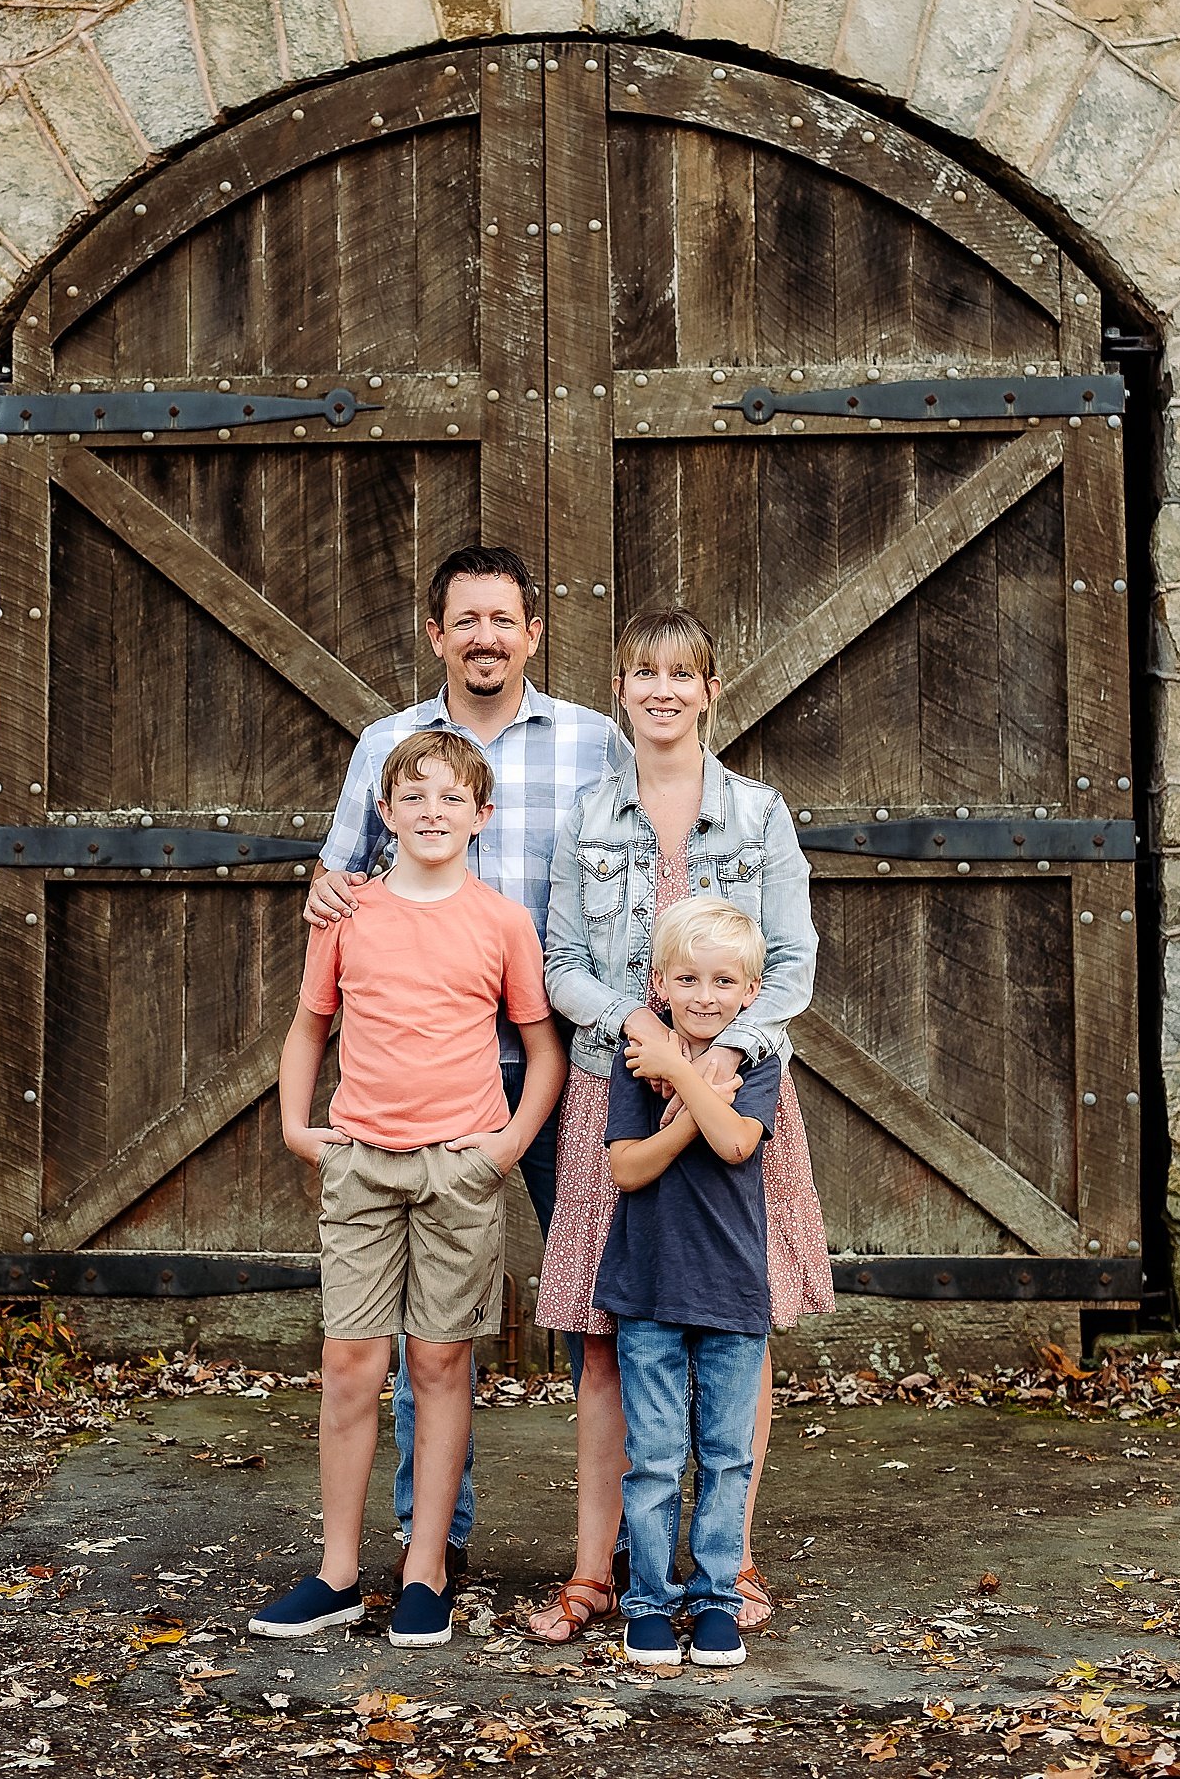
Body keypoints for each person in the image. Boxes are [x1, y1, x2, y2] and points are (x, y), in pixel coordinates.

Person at [305, 546, 624, 1571]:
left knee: (594, 1305)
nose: (485, 636)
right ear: (435, 634)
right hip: (425, 1083)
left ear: (534, 633)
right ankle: (430, 1547)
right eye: (465, 620)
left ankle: (610, 1546)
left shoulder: (593, 742)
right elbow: (343, 883)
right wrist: (320, 892)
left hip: (561, 1066)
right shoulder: (388, 746)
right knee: (423, 1336)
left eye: (504, 619)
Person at [528, 606, 834, 1644]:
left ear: (710, 690)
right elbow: (562, 961)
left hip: (743, 1086)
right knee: (610, 1336)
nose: (661, 690)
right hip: (611, 1089)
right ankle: (596, 1571)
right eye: (641, 673)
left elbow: (790, 962)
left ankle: (728, 1562)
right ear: (620, 689)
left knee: (738, 1325)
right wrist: (642, 1041)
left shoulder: (759, 814)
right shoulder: (586, 815)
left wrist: (718, 1052)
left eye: (681, 674)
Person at [252, 731, 566, 1648]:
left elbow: (541, 1049)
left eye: (452, 798)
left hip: (457, 1170)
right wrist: (294, 1123)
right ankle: (339, 1572)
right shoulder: (347, 915)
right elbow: (310, 1028)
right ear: (383, 814)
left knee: (438, 1363)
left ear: (483, 816)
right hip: (361, 1165)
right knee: (351, 1362)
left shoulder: (504, 922)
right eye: (414, 797)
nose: (433, 811)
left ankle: (426, 1568)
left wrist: (503, 1148)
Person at [600, 898, 781, 1670]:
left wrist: (687, 1074)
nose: (704, 994)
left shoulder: (762, 1062)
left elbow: (739, 1142)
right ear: (660, 983)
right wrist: (676, 1079)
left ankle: (714, 1600)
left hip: (734, 1290)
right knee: (653, 1457)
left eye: (723, 980)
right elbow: (627, 1166)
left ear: (749, 991)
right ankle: (647, 1600)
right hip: (649, 1289)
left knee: (727, 1454)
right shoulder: (637, 1062)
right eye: (687, 978)